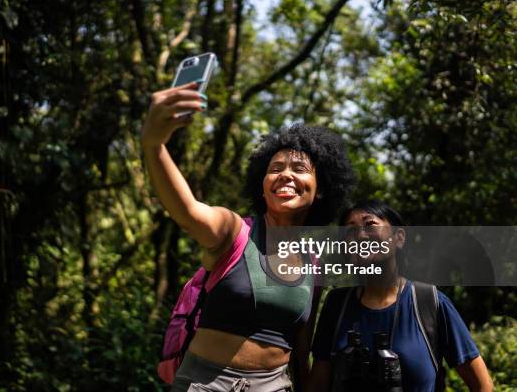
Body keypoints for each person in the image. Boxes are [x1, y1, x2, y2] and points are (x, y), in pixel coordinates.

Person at [141, 81, 356, 391]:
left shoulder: (313, 263)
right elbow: (187, 211)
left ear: (320, 189)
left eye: (299, 168)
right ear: (263, 184)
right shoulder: (234, 231)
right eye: (276, 167)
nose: (285, 174)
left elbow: (301, 348)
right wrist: (154, 145)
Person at [306, 200, 494, 392]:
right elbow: (317, 384)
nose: (360, 236)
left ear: (399, 238)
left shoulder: (429, 303)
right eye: (350, 231)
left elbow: (482, 385)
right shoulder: (337, 305)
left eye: (370, 225)